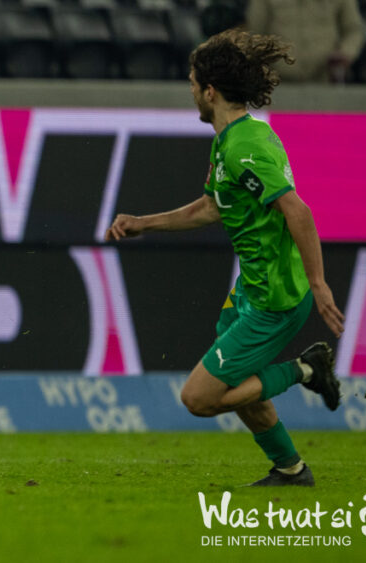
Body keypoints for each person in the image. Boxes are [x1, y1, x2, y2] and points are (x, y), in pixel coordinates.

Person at [106, 29, 344, 487]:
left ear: (210, 91)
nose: (191, 92)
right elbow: (212, 207)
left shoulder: (243, 148)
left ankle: (307, 369)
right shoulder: (235, 138)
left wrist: (319, 283)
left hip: (275, 298)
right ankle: (291, 469)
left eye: (193, 84)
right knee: (236, 384)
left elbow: (297, 210)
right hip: (251, 290)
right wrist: (143, 223)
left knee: (199, 398)